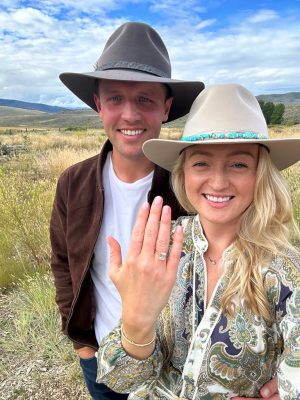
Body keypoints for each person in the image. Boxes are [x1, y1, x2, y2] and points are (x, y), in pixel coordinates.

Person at [97, 83, 300, 399]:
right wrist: (136, 321)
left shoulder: (286, 269)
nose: (218, 182)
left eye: (238, 164)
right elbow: (122, 380)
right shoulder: (161, 248)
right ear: (183, 175)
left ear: (261, 174)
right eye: (201, 163)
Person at [50, 21, 204, 400]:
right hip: (100, 360)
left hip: (173, 369)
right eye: (116, 98)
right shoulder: (73, 183)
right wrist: (83, 346)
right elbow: (62, 262)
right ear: (99, 105)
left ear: (166, 108)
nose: (130, 115)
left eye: (145, 99)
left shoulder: (193, 187)